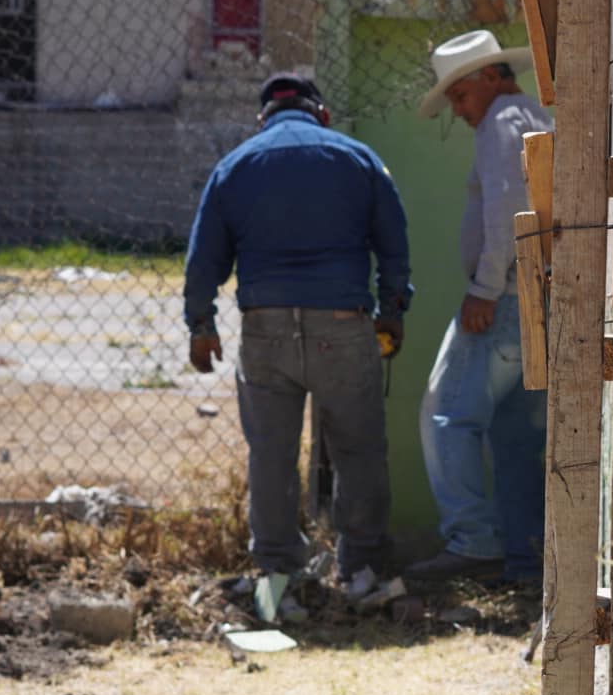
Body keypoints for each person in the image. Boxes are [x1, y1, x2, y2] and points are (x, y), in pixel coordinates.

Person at [183, 72, 411, 586]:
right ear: (322, 113)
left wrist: (202, 324)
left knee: (272, 453)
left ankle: (279, 571)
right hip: (343, 324)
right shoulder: (358, 159)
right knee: (359, 450)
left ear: (262, 119)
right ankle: (364, 570)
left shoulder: (235, 166)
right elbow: (394, 245)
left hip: (265, 328)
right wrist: (392, 310)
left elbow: (203, 260)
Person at [406, 30, 552, 584]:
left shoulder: (501, 123)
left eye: (460, 97)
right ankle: (525, 559)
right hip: (536, 299)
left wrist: (484, 291)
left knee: (445, 415)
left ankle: (473, 542)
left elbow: (512, 208)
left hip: (505, 302)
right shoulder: (531, 116)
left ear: (490, 78)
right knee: (515, 439)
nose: (459, 112)